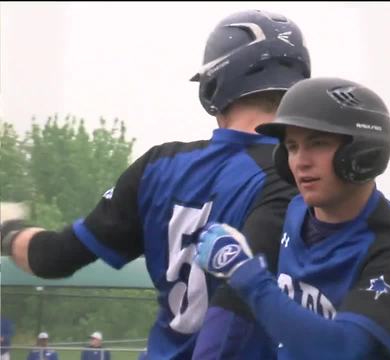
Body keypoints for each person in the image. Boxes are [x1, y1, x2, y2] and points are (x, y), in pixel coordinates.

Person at [0, 9, 310, 359]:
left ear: (215, 85)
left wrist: (8, 233)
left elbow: (53, 258)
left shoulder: (159, 165)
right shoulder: (306, 178)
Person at [195, 77, 390, 359]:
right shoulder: (293, 215)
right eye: (292, 147)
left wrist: (245, 274)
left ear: (363, 152)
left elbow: (342, 350)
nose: (301, 161)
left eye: (317, 143)